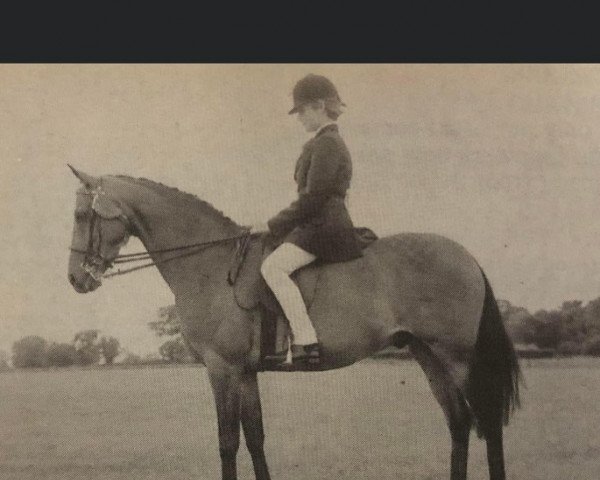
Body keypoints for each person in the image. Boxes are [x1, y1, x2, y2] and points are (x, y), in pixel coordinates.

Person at [251, 74, 363, 367]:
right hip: (316, 224)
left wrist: (273, 224)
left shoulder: (327, 144)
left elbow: (313, 197)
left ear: (319, 106)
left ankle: (305, 340)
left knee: (272, 268)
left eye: (301, 111)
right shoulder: (323, 142)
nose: (299, 117)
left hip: (322, 228)